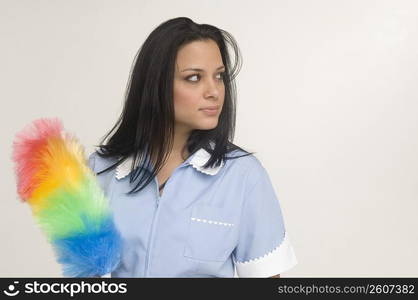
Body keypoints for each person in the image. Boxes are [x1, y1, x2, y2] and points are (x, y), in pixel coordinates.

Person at [88, 17, 297, 278]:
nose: (215, 91)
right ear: (156, 84)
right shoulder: (101, 170)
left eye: (219, 76)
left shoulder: (243, 176)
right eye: (194, 78)